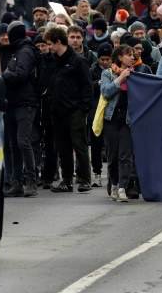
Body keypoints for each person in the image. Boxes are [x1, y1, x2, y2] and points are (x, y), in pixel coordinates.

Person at [44, 26, 94, 193]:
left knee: (79, 145)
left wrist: (83, 109)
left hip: (75, 111)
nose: (48, 47)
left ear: (58, 42)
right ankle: (66, 180)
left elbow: (87, 87)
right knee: (63, 148)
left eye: (50, 43)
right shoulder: (52, 61)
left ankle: (85, 179)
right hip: (57, 111)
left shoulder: (78, 61)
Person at [1, 22, 40, 197]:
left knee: (22, 141)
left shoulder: (25, 51)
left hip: (25, 102)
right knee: (13, 144)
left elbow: (22, 75)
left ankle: (31, 181)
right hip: (14, 102)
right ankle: (17, 183)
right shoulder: (19, 51)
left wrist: (3, 76)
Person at [100, 45, 137, 202]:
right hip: (111, 118)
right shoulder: (108, 73)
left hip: (128, 120)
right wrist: (120, 79)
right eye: (129, 55)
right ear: (120, 58)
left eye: (133, 55)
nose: (132, 57)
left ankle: (123, 187)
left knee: (126, 156)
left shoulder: (136, 75)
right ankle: (114, 184)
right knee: (113, 155)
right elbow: (106, 91)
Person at [32, 32, 58, 189]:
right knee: (34, 140)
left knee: (50, 142)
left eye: (44, 45)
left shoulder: (53, 61)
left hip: (49, 105)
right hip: (36, 104)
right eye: (39, 46)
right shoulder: (33, 60)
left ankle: (49, 175)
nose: (41, 48)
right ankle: (35, 173)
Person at [89, 43, 112, 189]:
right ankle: (97, 174)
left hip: (110, 110)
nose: (104, 62)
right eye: (102, 59)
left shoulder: (115, 70)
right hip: (96, 110)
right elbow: (86, 86)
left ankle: (111, 174)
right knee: (95, 144)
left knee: (110, 145)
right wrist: (96, 84)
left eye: (107, 59)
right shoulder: (92, 69)